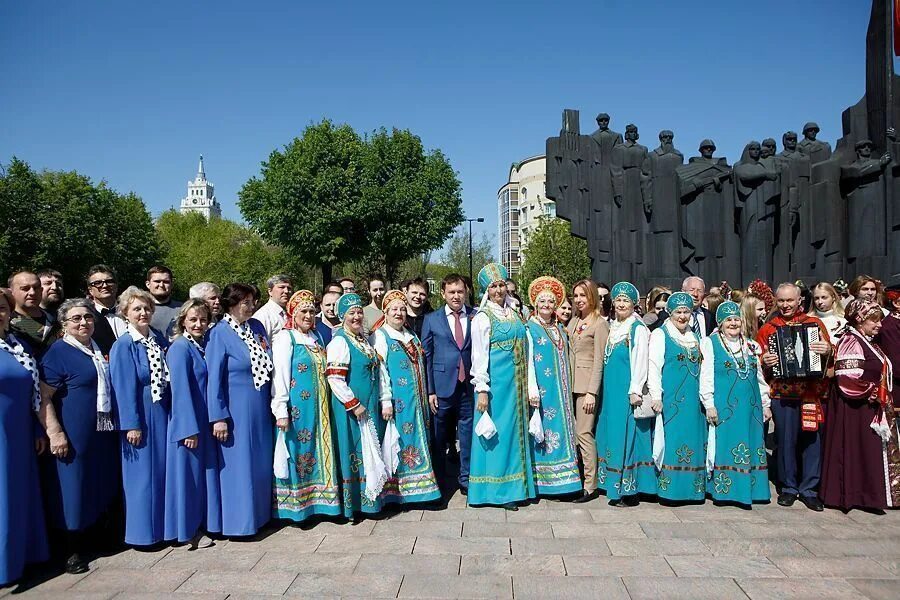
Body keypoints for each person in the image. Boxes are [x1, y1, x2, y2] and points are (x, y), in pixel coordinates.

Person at [38, 298, 119, 573]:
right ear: (64, 324)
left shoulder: (98, 349)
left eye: (87, 317)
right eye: (76, 319)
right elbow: (43, 397)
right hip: (72, 433)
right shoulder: (57, 352)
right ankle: (71, 549)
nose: (83, 322)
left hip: (101, 432)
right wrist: (54, 431)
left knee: (96, 482)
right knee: (71, 487)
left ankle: (96, 536)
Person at [757, 283, 832, 511]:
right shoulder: (769, 329)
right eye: (781, 301)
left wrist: (827, 350)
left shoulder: (814, 324)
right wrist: (764, 360)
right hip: (782, 393)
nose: (786, 305)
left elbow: (831, 355)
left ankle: (809, 489)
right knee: (785, 441)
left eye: (790, 301)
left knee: (812, 441)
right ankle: (788, 487)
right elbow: (758, 360)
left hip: (810, 393)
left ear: (799, 300)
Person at [206, 283, 274, 537]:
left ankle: (260, 516)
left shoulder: (256, 327)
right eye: (245, 302)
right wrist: (218, 417)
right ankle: (239, 523)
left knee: (259, 462)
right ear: (231, 304)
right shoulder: (219, 333)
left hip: (260, 405)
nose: (251, 306)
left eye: (252, 301)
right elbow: (213, 379)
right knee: (239, 465)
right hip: (235, 409)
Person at [469, 264, 536, 510]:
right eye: (493, 287)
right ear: (487, 290)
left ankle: (519, 487)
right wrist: (482, 389)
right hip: (498, 385)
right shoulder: (483, 318)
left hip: (516, 384)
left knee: (515, 433)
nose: (498, 290)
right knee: (498, 434)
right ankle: (498, 490)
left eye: (501, 285)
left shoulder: (514, 312)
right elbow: (479, 355)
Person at [820, 299, 899, 511]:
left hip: (867, 407)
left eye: (879, 321)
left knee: (867, 451)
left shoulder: (868, 341)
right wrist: (873, 390)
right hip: (855, 408)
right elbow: (847, 379)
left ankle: (869, 494)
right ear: (860, 320)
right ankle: (854, 494)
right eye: (874, 321)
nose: (879, 325)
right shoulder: (851, 340)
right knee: (855, 450)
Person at [271, 290, 341, 522]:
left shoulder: (317, 338)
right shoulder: (285, 338)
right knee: (299, 453)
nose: (309, 316)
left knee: (320, 451)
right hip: (297, 409)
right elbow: (279, 376)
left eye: (312, 311)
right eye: (304, 311)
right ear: (293, 313)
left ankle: (322, 504)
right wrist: (281, 410)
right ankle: (298, 508)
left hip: (319, 408)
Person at [109, 286, 170, 546]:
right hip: (141, 416)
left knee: (162, 472)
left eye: (146, 308)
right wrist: (131, 424)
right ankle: (143, 533)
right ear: (125, 313)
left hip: (162, 412)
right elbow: (122, 388)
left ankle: (164, 528)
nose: (143, 313)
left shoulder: (156, 338)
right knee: (141, 476)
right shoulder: (124, 345)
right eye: (136, 309)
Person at [372, 290, 441, 505]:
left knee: (420, 439)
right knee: (400, 442)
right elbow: (381, 371)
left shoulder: (411, 334)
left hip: (417, 400)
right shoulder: (380, 336)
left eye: (402, 309)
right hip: (398, 403)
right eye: (394, 309)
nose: (399, 313)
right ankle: (400, 493)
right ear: (385, 312)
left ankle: (423, 489)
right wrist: (385, 399)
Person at [0, 287, 49, 584]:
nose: (0, 313)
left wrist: (37, 427)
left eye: (3, 308)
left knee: (20, 495)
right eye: (24, 287)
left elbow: (54, 336)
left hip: (21, 430)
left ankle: (23, 556)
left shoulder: (19, 339)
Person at [701, 301, 772, 507]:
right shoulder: (711, 343)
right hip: (725, 407)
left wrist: (766, 403)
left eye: (736, 319)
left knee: (751, 443)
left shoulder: (750, 345)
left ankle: (753, 490)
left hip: (751, 408)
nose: (733, 323)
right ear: (721, 323)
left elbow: (758, 377)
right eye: (728, 320)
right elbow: (705, 375)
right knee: (726, 445)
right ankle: (726, 492)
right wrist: (709, 403)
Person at [327, 293, 389, 519]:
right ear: (343, 317)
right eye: (351, 313)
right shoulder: (340, 341)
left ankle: (372, 501)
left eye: (359, 312)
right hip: (352, 409)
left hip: (368, 405)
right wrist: (353, 404)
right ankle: (356, 505)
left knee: (370, 450)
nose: (356, 316)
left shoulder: (362, 339)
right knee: (355, 451)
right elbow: (335, 378)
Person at [165, 299, 220, 546]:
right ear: (183, 321)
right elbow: (180, 390)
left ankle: (201, 524)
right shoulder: (180, 348)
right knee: (187, 479)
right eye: (193, 319)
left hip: (202, 419)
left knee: (200, 477)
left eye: (203, 319)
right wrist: (188, 427)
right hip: (189, 423)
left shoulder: (200, 345)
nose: (199, 324)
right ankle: (187, 532)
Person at [596, 282, 654, 506]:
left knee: (627, 436)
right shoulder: (612, 326)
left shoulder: (636, 329)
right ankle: (612, 483)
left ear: (634, 304)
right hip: (610, 392)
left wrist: (635, 389)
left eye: (626, 300)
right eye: (618, 300)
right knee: (612, 434)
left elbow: (640, 360)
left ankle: (628, 489)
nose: (621, 304)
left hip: (625, 391)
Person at [648, 292, 706, 503]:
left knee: (694, 439)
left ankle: (693, 490)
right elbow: (653, 366)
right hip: (671, 399)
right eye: (678, 312)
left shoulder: (695, 336)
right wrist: (656, 395)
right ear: (670, 313)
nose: (682, 316)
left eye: (686, 312)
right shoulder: (661, 335)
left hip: (693, 401)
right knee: (672, 441)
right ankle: (671, 491)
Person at [526, 277, 581, 497]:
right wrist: (532, 389)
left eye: (550, 301)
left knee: (562, 429)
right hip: (543, 391)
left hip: (562, 392)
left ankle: (566, 482)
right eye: (542, 301)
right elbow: (528, 361)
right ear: (535, 304)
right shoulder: (530, 329)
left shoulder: (560, 328)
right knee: (544, 432)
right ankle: (545, 482)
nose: (547, 305)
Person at [421, 274, 474, 496]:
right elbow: (428, 356)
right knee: (439, 437)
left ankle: (466, 479)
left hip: (468, 387)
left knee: (468, 434)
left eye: (460, 291)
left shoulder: (476, 316)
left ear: (466, 292)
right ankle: (439, 481)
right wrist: (430, 390)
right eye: (451, 292)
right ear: (443, 293)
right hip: (441, 388)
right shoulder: (432, 319)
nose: (456, 296)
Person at [566, 279, 609, 503]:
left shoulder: (599, 323)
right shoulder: (574, 321)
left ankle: (590, 485)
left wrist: (592, 391)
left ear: (592, 297)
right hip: (570, 384)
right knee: (574, 434)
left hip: (586, 388)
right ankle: (578, 478)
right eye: (576, 296)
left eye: (583, 295)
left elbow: (599, 361)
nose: (579, 300)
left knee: (584, 434)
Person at [8, 270, 59, 358]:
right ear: (11, 292)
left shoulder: (56, 319)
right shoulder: (6, 324)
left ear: (41, 290)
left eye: (36, 288)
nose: (32, 293)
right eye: (25, 288)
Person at [84, 264, 127, 355]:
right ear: (90, 290)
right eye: (97, 283)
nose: (104, 286)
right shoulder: (86, 317)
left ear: (116, 285)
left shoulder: (130, 311)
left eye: (109, 281)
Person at [145, 266, 183, 338]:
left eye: (166, 282)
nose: (161, 285)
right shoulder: (140, 310)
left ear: (172, 284)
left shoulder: (183, 309)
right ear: (148, 284)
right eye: (157, 281)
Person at [253, 274, 293, 342]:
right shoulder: (263, 316)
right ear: (270, 291)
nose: (286, 291)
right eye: (281, 287)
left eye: (289, 288)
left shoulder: (289, 313)